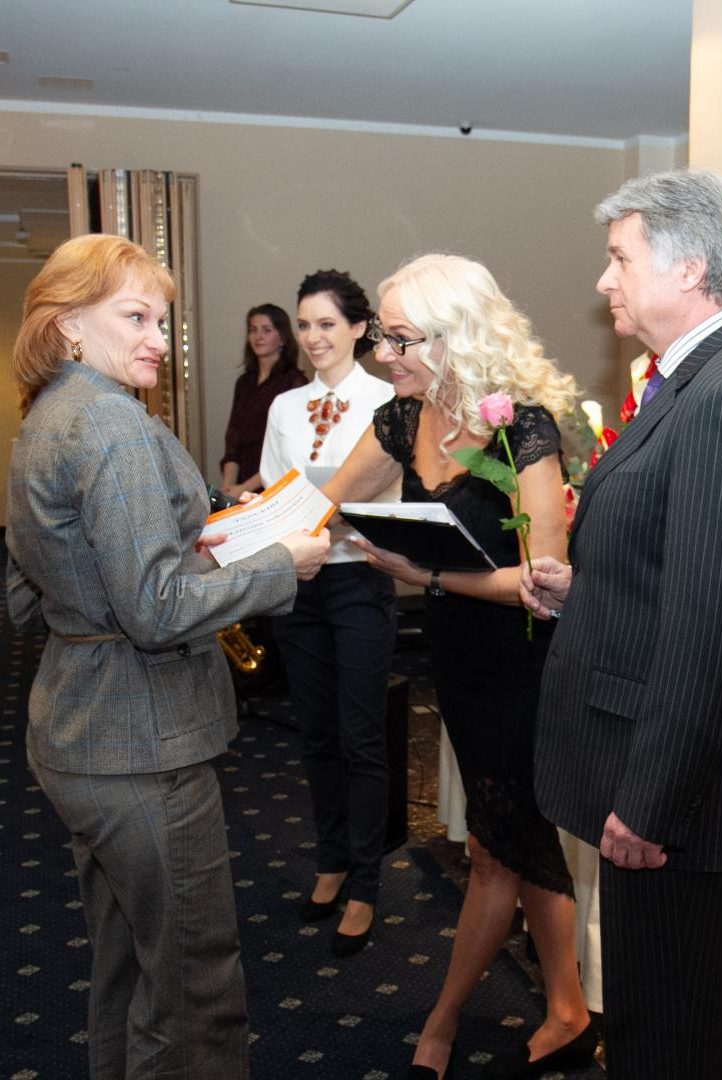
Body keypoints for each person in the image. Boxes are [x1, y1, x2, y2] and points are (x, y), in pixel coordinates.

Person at [5, 233, 330, 1079]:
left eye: (162, 320)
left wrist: (183, 547)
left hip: (77, 728)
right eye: (135, 318)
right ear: (69, 325)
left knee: (126, 963)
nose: (159, 338)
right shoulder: (111, 424)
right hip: (142, 744)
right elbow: (152, 612)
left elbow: (25, 590)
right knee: (191, 986)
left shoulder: (46, 415)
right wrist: (278, 564)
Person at [520, 169, 722, 1080]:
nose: (604, 280)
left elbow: (713, 631)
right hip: (664, 776)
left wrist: (650, 802)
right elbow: (676, 576)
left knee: (671, 1035)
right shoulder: (692, 383)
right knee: (667, 1020)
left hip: (681, 796)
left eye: (620, 258)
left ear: (688, 269)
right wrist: (587, 593)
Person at [322, 253, 593, 1080]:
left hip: (522, 667)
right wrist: (242, 532)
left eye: (399, 339)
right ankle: (569, 1009)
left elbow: (543, 586)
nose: (383, 356)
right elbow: (326, 507)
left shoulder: (522, 429)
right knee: (522, 839)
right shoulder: (404, 418)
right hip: (460, 665)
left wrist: (427, 575)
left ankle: (439, 1026)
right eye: (382, 338)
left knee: (494, 851)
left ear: (456, 336)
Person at [260, 269, 399, 957]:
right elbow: (274, 490)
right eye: (305, 325)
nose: (313, 337)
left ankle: (367, 882)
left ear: (358, 329)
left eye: (326, 324)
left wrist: (332, 513)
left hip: (359, 580)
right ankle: (332, 859)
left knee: (361, 737)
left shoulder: (388, 401)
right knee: (315, 733)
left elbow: (393, 495)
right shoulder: (285, 406)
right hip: (301, 583)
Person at [221, 302, 307, 499]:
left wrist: (245, 487)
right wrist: (229, 486)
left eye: (266, 330)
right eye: (253, 330)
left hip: (275, 484)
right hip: (240, 481)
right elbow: (233, 439)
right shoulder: (244, 382)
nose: (258, 336)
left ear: (282, 337)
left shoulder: (295, 383)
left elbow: (286, 450)